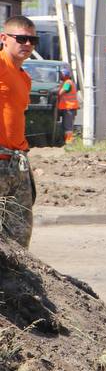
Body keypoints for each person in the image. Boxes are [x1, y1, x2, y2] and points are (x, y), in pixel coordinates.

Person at [0, 15, 37, 248]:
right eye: (21, 38)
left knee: (19, 234)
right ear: (4, 38)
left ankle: (12, 282)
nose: (28, 44)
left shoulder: (24, 78)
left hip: (16, 163)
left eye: (33, 40)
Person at [56, 66, 78, 145]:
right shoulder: (67, 82)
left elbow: (60, 92)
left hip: (69, 107)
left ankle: (69, 142)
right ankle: (66, 140)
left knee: (68, 126)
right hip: (68, 107)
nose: (60, 76)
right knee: (66, 125)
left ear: (65, 75)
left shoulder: (67, 83)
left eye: (61, 74)